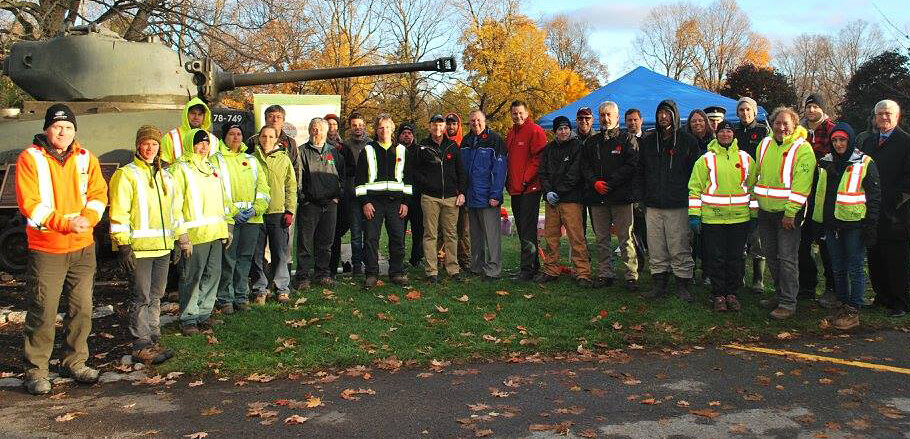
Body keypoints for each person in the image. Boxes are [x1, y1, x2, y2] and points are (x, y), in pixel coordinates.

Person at [16, 104, 108, 394]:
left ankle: (75, 361)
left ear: (74, 131)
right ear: (47, 129)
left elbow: (98, 195)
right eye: (57, 127)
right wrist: (67, 224)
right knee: (43, 310)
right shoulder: (30, 159)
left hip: (82, 247)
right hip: (47, 248)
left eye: (68, 127)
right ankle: (36, 369)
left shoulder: (85, 158)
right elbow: (30, 204)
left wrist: (89, 219)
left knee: (81, 309)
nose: (63, 132)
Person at [109, 125, 177, 364]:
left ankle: (154, 334)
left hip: (163, 247)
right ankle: (141, 343)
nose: (150, 148)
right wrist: (123, 245)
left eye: (155, 144)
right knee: (141, 296)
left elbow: (173, 211)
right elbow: (119, 212)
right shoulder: (126, 174)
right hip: (139, 248)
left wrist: (177, 239)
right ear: (138, 145)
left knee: (157, 294)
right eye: (146, 143)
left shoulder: (165, 175)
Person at [811, 122, 881, 329]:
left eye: (842, 140)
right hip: (832, 224)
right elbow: (819, 193)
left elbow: (874, 196)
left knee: (855, 266)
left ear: (849, 140)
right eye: (835, 140)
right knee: (837, 266)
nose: (839, 144)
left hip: (855, 224)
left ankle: (853, 309)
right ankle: (841, 304)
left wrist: (870, 225)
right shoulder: (825, 161)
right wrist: (818, 223)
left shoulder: (864, 162)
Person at [754, 107, 817, 320]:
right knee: (771, 255)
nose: (781, 127)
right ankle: (779, 295)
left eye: (786, 124)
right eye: (778, 123)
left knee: (787, 258)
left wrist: (790, 212)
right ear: (772, 123)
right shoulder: (764, 144)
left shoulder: (803, 148)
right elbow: (757, 176)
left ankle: (789, 303)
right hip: (765, 211)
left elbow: (802, 184)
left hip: (788, 214)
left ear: (795, 125)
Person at [170, 129, 234, 335]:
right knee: (192, 277)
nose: (203, 146)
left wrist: (227, 229)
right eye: (199, 142)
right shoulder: (180, 169)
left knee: (212, 275)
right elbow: (174, 204)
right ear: (190, 144)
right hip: (194, 235)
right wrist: (182, 235)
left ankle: (204, 313)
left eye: (206, 142)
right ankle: (188, 318)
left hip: (215, 233)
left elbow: (224, 200)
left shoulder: (212, 168)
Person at [688, 121, 757, 312]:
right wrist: (694, 215)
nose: (725, 134)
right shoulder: (705, 159)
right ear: (716, 134)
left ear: (733, 135)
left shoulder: (745, 158)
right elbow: (694, 188)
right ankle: (718, 294)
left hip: (739, 218)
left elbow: (753, 189)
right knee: (716, 258)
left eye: (729, 131)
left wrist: (754, 214)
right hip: (713, 218)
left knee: (735, 257)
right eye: (722, 131)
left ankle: (732, 293)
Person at [639, 100, 700, 300]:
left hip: (678, 203)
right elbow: (641, 172)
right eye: (660, 113)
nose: (663, 117)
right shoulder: (648, 142)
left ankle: (682, 283)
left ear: (675, 115)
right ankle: (659, 284)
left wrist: (692, 200)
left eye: (667, 113)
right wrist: (641, 197)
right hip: (653, 203)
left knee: (679, 244)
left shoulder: (688, 141)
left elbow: (695, 175)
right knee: (656, 246)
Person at [857, 99, 910, 318]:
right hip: (871, 209)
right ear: (875, 117)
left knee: (895, 258)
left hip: (895, 212)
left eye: (888, 114)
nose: (884, 117)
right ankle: (881, 296)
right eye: (880, 114)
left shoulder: (906, 142)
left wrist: (894, 203)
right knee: (875, 253)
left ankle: (900, 301)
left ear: (897, 117)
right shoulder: (869, 142)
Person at [582, 101, 640, 290]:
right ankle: (605, 273)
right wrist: (594, 183)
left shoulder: (627, 139)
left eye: (609, 115)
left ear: (616, 117)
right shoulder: (592, 142)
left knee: (626, 237)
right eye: (602, 115)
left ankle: (631, 275)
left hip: (621, 196)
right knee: (601, 238)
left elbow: (632, 165)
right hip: (597, 197)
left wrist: (611, 183)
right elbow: (585, 166)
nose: (605, 119)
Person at [214, 123, 270, 314]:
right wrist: (232, 212)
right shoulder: (216, 161)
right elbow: (217, 191)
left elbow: (263, 189)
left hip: (252, 220)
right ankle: (225, 299)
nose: (236, 137)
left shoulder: (251, 160)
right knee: (228, 260)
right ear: (224, 137)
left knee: (245, 259)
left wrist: (256, 209)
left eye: (239, 134)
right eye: (231, 134)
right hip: (229, 220)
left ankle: (241, 297)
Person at [355, 114, 413, 288]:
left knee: (397, 238)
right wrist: (365, 202)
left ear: (393, 129)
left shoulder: (402, 150)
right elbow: (359, 180)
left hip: (396, 202)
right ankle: (371, 274)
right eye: (381, 127)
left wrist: (406, 202)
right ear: (376, 130)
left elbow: (409, 179)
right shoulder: (368, 150)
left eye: (387, 127)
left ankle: (396, 272)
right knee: (371, 239)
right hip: (373, 202)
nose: (384, 130)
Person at [536, 116, 592, 286]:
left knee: (576, 237)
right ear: (555, 132)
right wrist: (548, 191)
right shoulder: (549, 149)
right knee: (551, 237)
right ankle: (551, 269)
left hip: (571, 199)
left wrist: (558, 191)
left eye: (566, 128)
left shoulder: (577, 147)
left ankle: (583, 272)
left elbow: (574, 174)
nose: (563, 131)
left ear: (570, 129)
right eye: (560, 129)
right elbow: (542, 172)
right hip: (552, 201)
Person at [415, 114, 467, 283]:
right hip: (430, 197)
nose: (437, 129)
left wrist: (462, 192)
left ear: (444, 128)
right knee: (430, 234)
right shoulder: (422, 146)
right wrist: (426, 184)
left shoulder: (452, 146)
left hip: (451, 197)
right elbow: (415, 171)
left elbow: (461, 172)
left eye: (440, 126)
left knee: (451, 234)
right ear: (429, 126)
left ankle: (453, 269)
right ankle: (432, 271)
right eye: (434, 125)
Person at [250, 126, 298, 304]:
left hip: (278, 212)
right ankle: (260, 288)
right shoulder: (251, 159)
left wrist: (290, 210)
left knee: (280, 252)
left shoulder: (284, 159)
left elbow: (291, 187)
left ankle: (281, 288)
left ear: (277, 139)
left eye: (271, 136)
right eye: (264, 136)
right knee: (257, 253)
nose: (267, 139)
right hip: (257, 214)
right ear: (258, 138)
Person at [295, 118, 344, 289]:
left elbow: (342, 175)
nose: (317, 132)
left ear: (326, 131)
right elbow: (297, 179)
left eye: (320, 129)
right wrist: (304, 200)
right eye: (314, 129)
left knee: (326, 243)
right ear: (309, 131)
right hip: (310, 205)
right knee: (305, 242)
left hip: (330, 204)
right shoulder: (301, 151)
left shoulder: (334, 152)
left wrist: (337, 196)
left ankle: (322, 274)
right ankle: (302, 277)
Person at [799, 93, 836, 305]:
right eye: (808, 107)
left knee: (826, 246)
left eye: (815, 107)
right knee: (802, 245)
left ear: (822, 109)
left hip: (824, 197)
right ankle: (807, 286)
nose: (811, 110)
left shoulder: (832, 130)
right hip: (803, 196)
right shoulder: (799, 132)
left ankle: (832, 287)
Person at [461, 109, 507, 280]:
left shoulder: (494, 140)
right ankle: (477, 266)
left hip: (488, 197)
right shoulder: (466, 141)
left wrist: (495, 194)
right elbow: (463, 170)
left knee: (491, 236)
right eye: (472, 120)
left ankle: (493, 269)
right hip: (471, 196)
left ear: (484, 120)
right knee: (475, 236)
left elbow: (500, 169)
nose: (476, 123)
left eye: (478, 120)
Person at [505, 100, 547, 281]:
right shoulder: (511, 133)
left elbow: (538, 159)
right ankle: (533, 266)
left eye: (520, 112)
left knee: (528, 229)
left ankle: (527, 269)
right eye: (514, 113)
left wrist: (525, 180)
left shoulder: (535, 131)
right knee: (522, 229)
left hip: (529, 188)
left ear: (527, 112)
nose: (518, 116)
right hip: (515, 189)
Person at [734, 96, 769, 294]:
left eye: (748, 110)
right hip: (737, 190)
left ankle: (758, 279)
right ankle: (739, 277)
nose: (745, 113)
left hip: (757, 189)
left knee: (757, 238)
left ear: (754, 112)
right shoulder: (734, 131)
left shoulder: (763, 131)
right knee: (739, 235)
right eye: (741, 110)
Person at [326, 113, 355, 277]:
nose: (332, 127)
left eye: (334, 124)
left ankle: (332, 267)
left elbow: (352, 168)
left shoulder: (343, 147)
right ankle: (322, 266)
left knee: (337, 231)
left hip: (341, 195)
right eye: (329, 124)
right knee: (323, 234)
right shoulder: (319, 145)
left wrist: (338, 169)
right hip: (323, 194)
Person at [344, 112, 372, 276]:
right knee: (356, 233)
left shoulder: (371, 144)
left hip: (370, 195)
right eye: (354, 125)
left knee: (370, 233)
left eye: (360, 125)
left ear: (364, 126)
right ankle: (356, 265)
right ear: (350, 127)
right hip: (353, 194)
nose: (358, 128)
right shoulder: (345, 145)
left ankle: (369, 262)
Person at [245, 104, 301, 180]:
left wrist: (296, 189)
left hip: (282, 189)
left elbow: (296, 168)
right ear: (265, 120)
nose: (275, 120)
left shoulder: (291, 142)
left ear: (283, 121)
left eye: (279, 117)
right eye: (271, 116)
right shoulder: (253, 140)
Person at [444, 112, 471, 269]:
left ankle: (464, 258)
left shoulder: (465, 142)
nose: (451, 126)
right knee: (445, 230)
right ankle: (443, 257)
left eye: (454, 124)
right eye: (448, 124)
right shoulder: (442, 143)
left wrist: (464, 191)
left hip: (462, 192)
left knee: (463, 229)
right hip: (446, 193)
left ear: (458, 125)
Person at [160, 98, 221, 165]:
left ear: (204, 117)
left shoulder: (213, 140)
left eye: (200, 114)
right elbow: (163, 166)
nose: (196, 117)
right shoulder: (171, 137)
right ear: (186, 114)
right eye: (193, 113)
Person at [625, 108, 647, 275]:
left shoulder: (649, 139)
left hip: (646, 193)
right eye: (629, 120)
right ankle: (638, 263)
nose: (632, 123)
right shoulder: (623, 140)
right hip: (627, 193)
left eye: (635, 120)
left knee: (646, 231)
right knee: (632, 232)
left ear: (641, 120)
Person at [398, 122, 424, 268]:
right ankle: (398, 258)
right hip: (400, 197)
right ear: (399, 135)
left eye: (409, 133)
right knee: (399, 231)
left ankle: (417, 258)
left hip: (417, 196)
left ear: (413, 136)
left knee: (418, 230)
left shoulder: (420, 151)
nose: (406, 135)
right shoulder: (395, 150)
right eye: (404, 133)